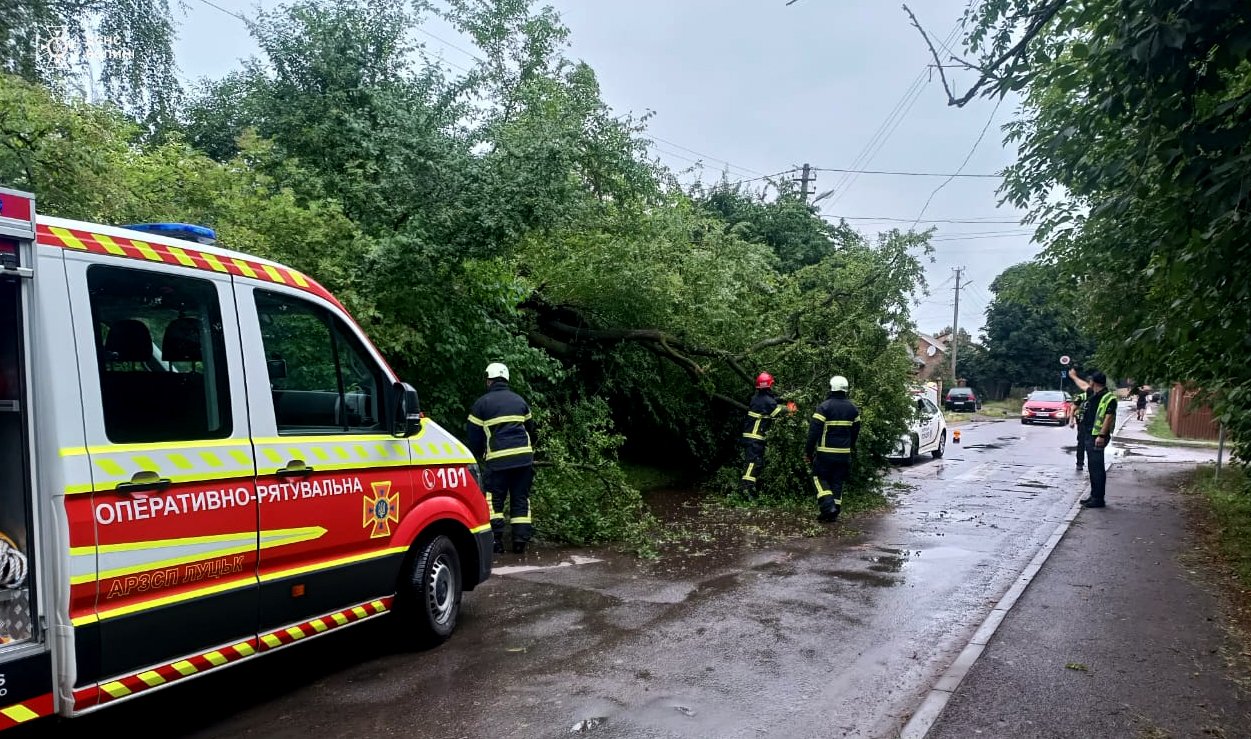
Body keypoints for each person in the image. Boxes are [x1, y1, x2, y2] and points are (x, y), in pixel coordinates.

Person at [466, 362, 538, 554]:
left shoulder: (481, 404)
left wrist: (480, 455)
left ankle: (496, 541)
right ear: (506, 380)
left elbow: (474, 437)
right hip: (524, 460)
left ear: (489, 381)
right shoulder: (520, 401)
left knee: (494, 500)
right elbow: (532, 430)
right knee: (520, 497)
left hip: (498, 461)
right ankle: (520, 541)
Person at [805, 375, 861, 523]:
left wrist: (808, 452)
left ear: (831, 388)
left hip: (825, 453)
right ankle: (834, 511)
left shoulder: (824, 407)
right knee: (837, 481)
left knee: (818, 477)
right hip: (844, 454)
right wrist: (850, 448)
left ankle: (828, 506)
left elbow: (813, 432)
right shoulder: (853, 409)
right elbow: (855, 432)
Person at [739, 372, 794, 498]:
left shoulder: (756, 398)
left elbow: (772, 401)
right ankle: (746, 489)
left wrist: (784, 399)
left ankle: (748, 488)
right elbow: (778, 411)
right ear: (769, 386)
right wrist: (790, 408)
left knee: (754, 462)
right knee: (753, 463)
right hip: (755, 437)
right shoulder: (768, 402)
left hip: (751, 436)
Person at [1079, 371, 1118, 509]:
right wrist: (1072, 376)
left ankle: (1098, 499)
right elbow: (1083, 385)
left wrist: (1101, 435)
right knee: (1092, 467)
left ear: (1093, 382)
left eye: (1090, 380)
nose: (1088, 383)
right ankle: (1094, 495)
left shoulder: (1108, 398)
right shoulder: (1094, 394)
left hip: (1098, 436)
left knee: (1097, 468)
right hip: (1091, 435)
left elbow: (1109, 417)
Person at [1068, 368, 1090, 471]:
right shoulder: (1081, 397)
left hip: (1094, 424)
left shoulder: (1098, 395)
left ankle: (1091, 464)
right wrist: (1071, 421)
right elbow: (1073, 408)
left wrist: (1073, 376)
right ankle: (1079, 463)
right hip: (1082, 423)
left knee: (1091, 445)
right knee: (1081, 443)